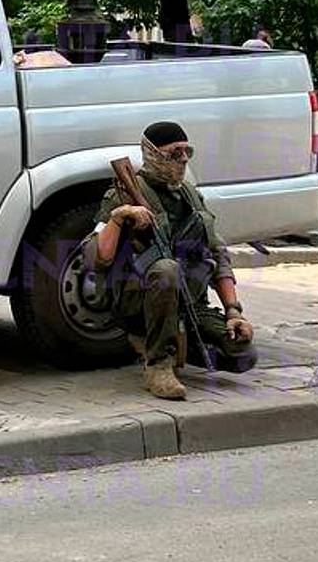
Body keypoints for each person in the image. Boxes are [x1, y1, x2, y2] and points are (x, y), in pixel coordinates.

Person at [89, 121, 256, 400]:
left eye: (186, 151)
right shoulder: (123, 192)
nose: (183, 159)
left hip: (188, 301)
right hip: (137, 300)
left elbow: (217, 253)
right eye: (174, 152)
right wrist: (120, 217)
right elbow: (97, 257)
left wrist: (233, 312)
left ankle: (165, 341)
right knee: (167, 269)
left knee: (243, 354)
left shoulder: (189, 195)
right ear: (153, 154)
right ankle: (158, 364)